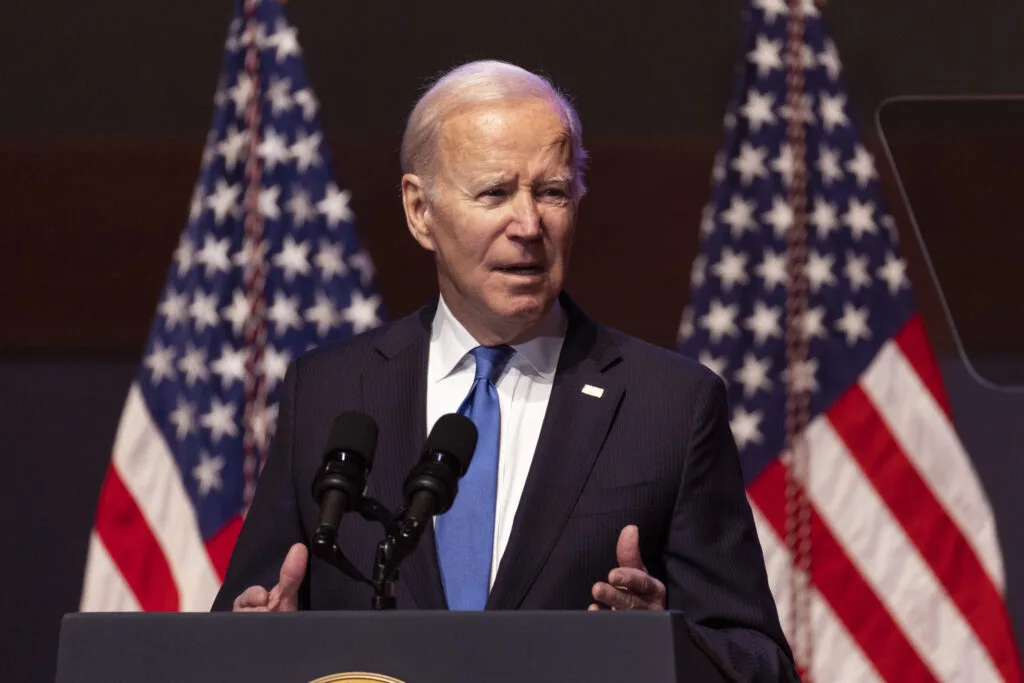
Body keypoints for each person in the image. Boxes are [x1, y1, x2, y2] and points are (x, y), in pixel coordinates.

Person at [213, 59, 798, 682]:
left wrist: (666, 644)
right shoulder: (329, 392)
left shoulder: (670, 405)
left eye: (552, 192)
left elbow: (761, 663)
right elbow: (239, 629)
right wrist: (253, 639)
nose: (529, 226)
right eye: (495, 192)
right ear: (420, 211)